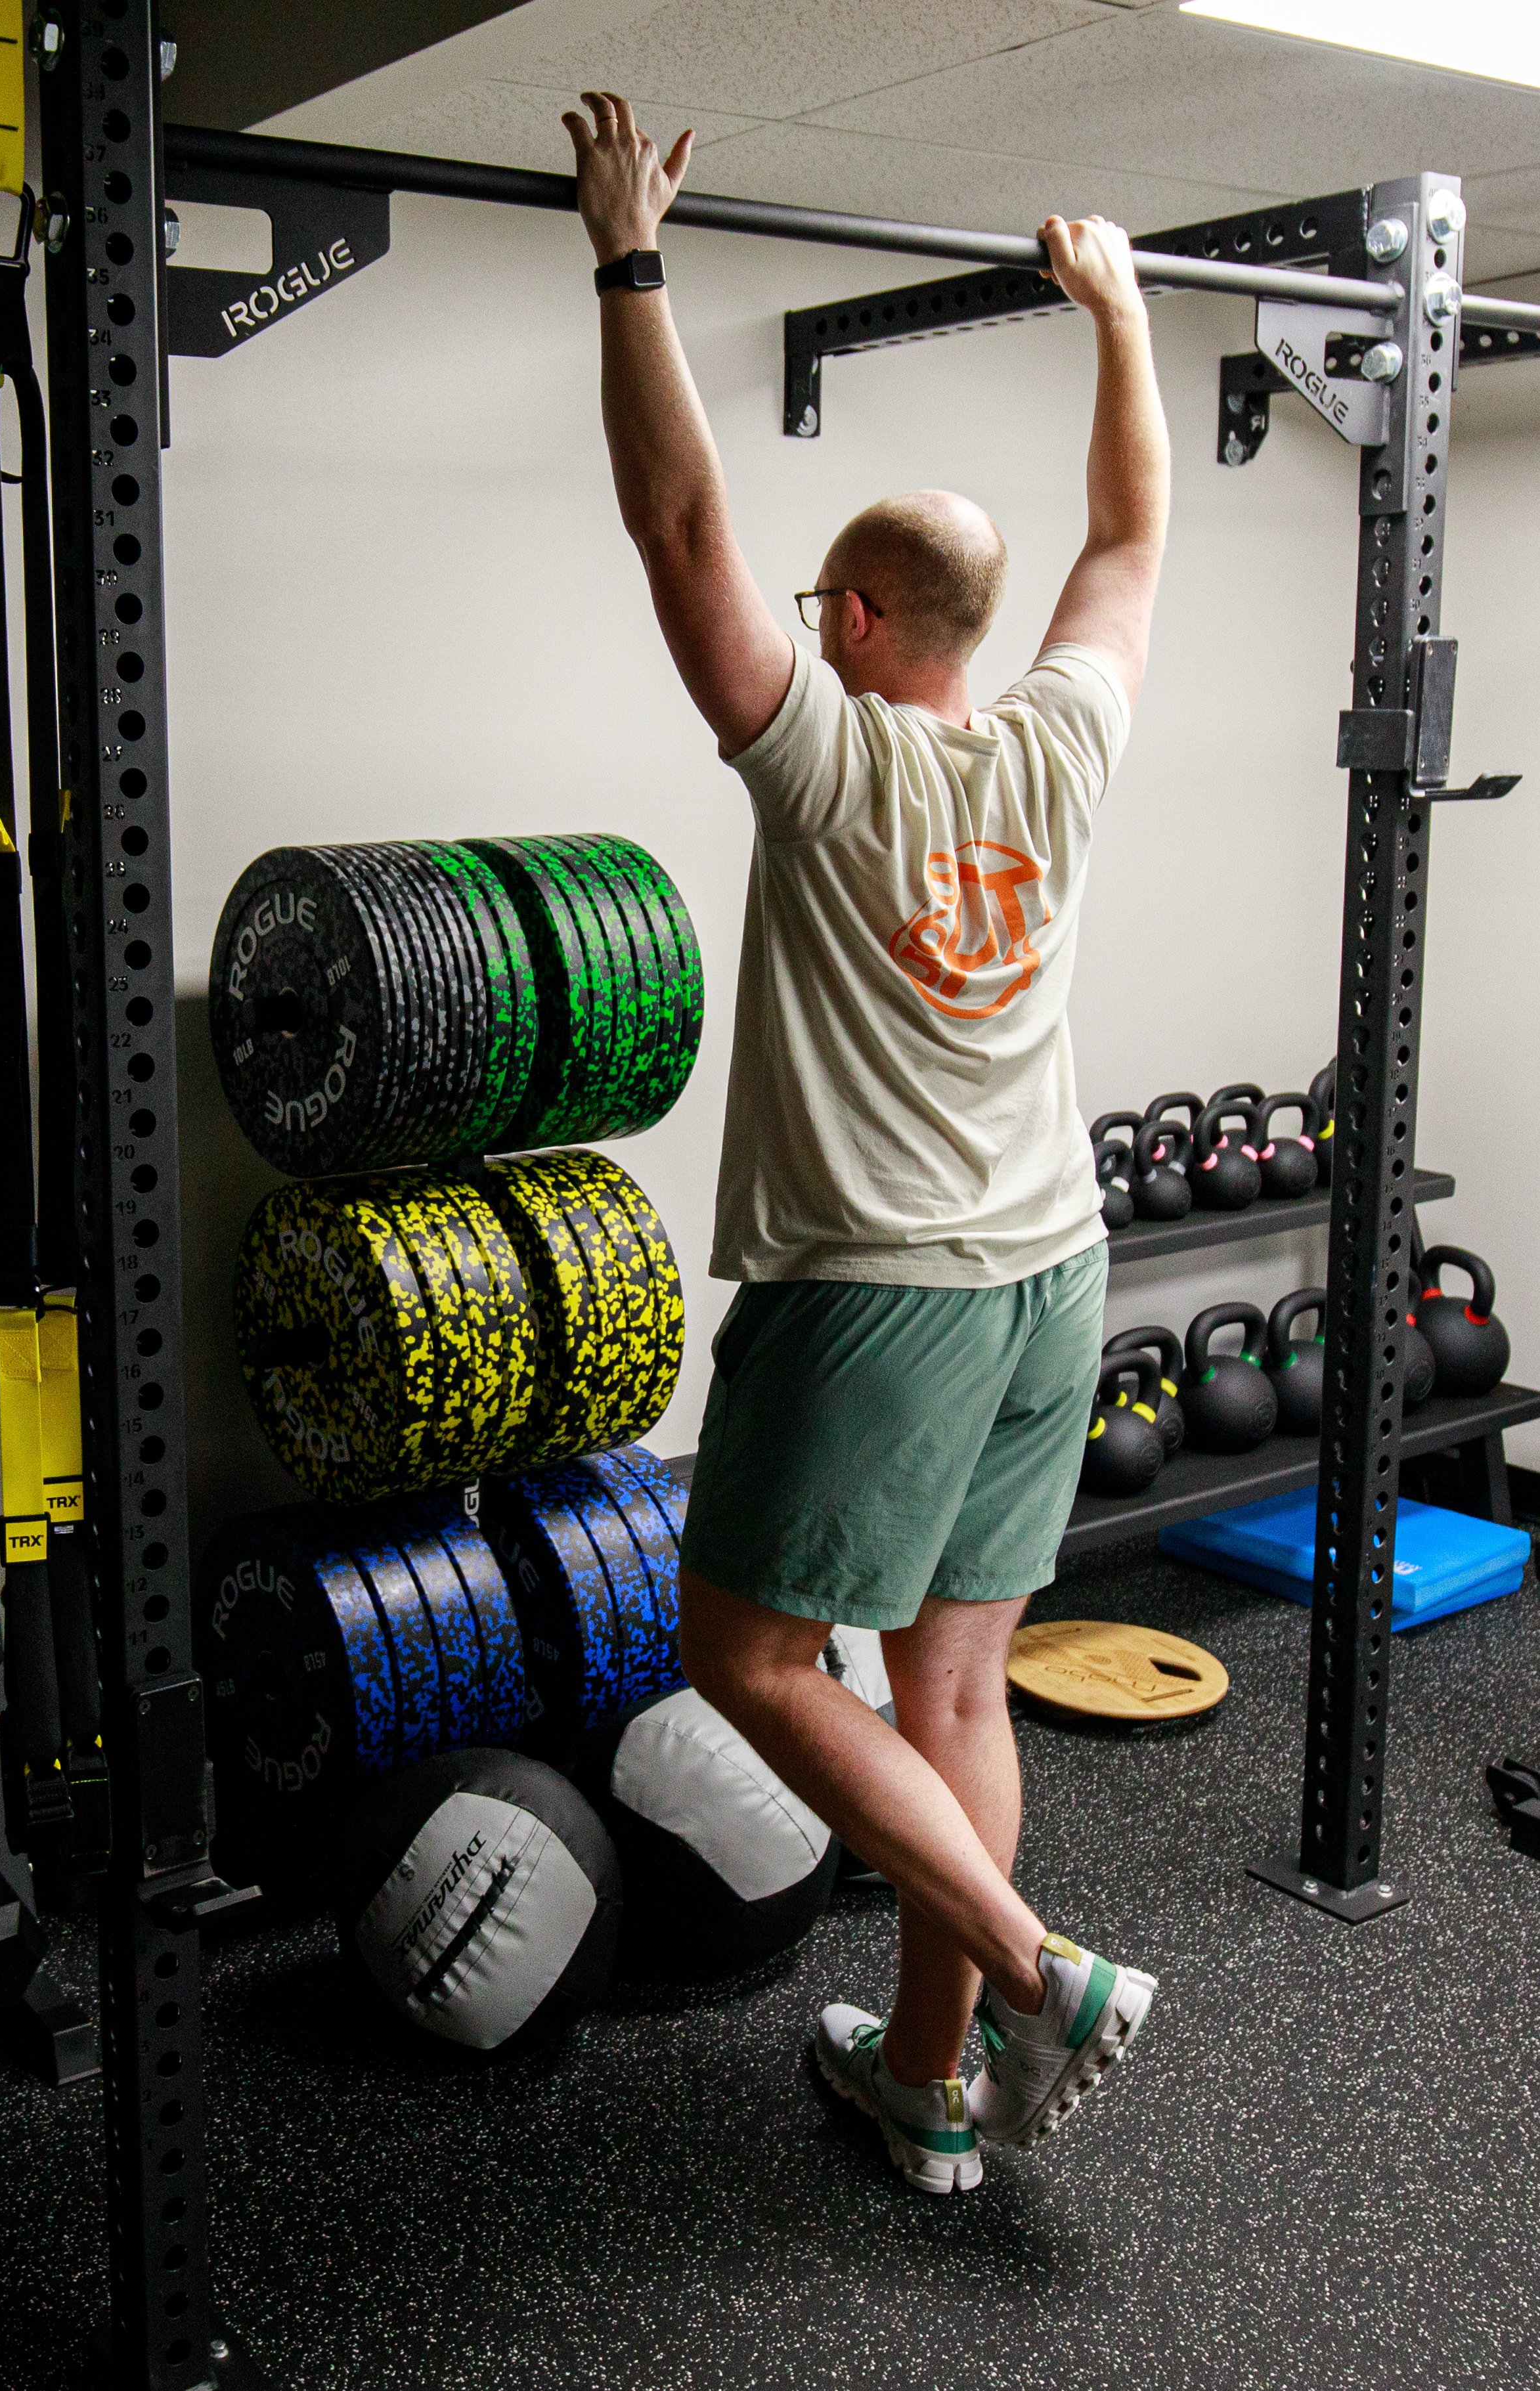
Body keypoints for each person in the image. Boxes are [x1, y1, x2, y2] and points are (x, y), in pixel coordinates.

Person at [561, 91, 1168, 2197]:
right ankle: (924, 2082)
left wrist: (629, 262)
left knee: (743, 1653)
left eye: (831, 597)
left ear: (872, 623)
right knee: (957, 1687)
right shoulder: (1060, 737)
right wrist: (1122, 317)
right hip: (1053, 1274)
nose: (802, 616)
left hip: (885, 1295)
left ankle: (1027, 1967)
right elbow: (1129, 542)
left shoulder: (822, 764)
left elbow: (677, 530)